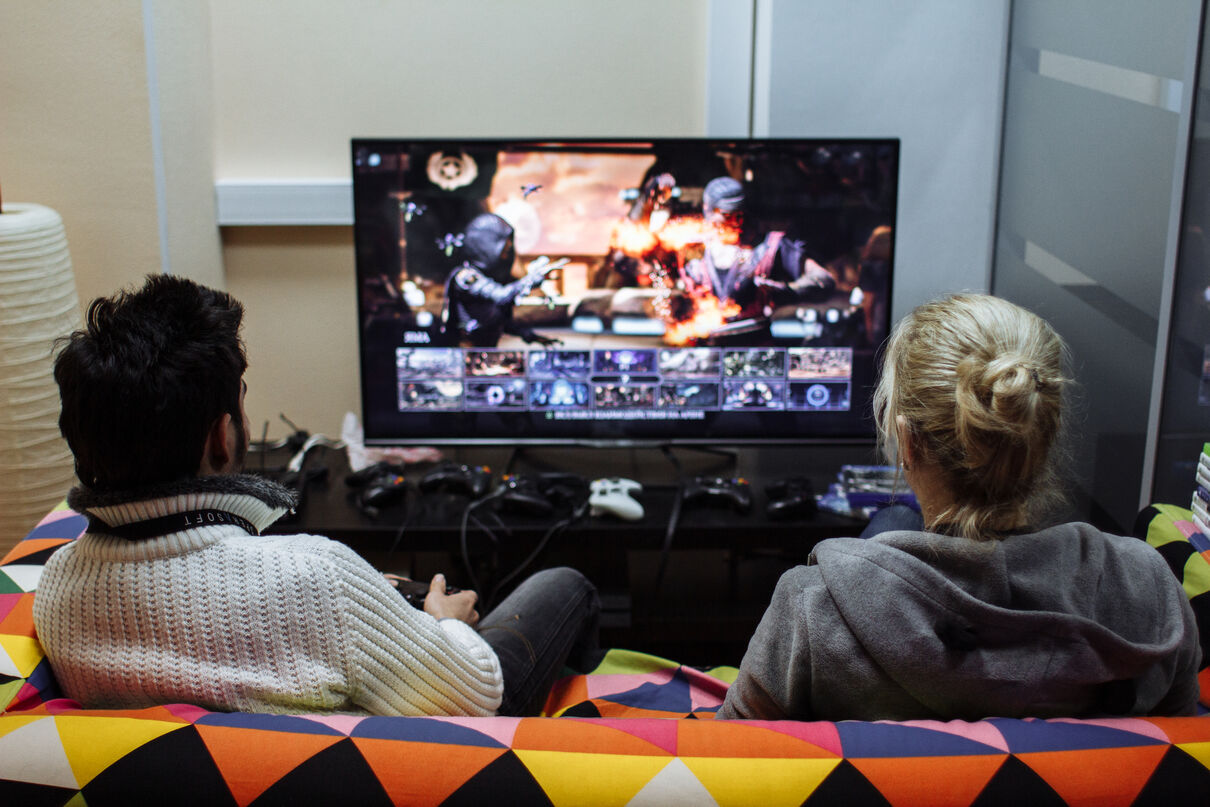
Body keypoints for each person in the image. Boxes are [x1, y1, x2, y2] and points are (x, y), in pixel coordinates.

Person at [32, 274, 600, 718]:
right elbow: (476, 697)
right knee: (566, 584)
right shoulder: (317, 578)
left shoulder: (56, 587)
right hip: (444, 733)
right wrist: (443, 622)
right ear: (222, 437)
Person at [717, 293, 1201, 721]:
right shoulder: (1149, 588)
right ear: (1043, 434)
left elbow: (727, 757)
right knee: (897, 521)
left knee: (893, 521)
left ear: (906, 441)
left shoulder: (814, 606)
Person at [679, 176, 836, 324]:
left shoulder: (769, 245)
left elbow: (824, 280)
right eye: (727, 215)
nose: (735, 222)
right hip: (702, 340)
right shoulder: (689, 247)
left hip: (754, 341)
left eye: (739, 214)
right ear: (707, 210)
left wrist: (783, 291)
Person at [441, 212, 561, 347]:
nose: (508, 249)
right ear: (485, 245)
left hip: (485, 349)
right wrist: (531, 279)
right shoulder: (466, 277)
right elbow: (501, 296)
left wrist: (530, 336)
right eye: (503, 247)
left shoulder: (487, 278)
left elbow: (497, 319)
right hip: (467, 350)